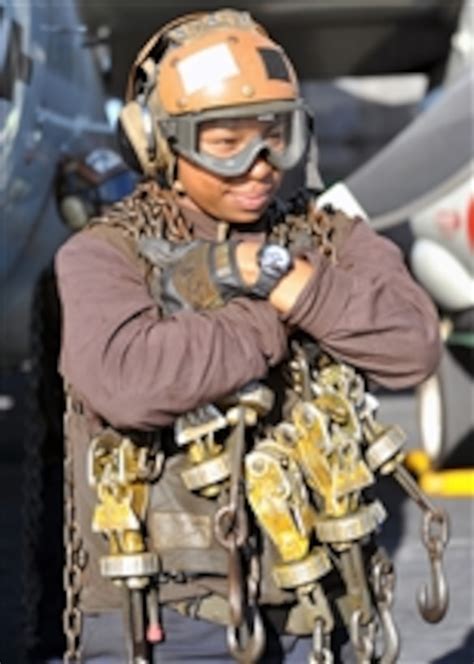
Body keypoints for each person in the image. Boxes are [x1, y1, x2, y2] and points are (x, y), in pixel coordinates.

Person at [55, 9, 442, 663]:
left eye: (275, 137)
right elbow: (128, 381)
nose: (261, 165)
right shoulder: (105, 256)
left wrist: (298, 284)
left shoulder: (326, 235)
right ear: (161, 144)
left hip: (322, 608)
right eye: (225, 141)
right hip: (171, 619)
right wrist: (273, 311)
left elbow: (412, 345)